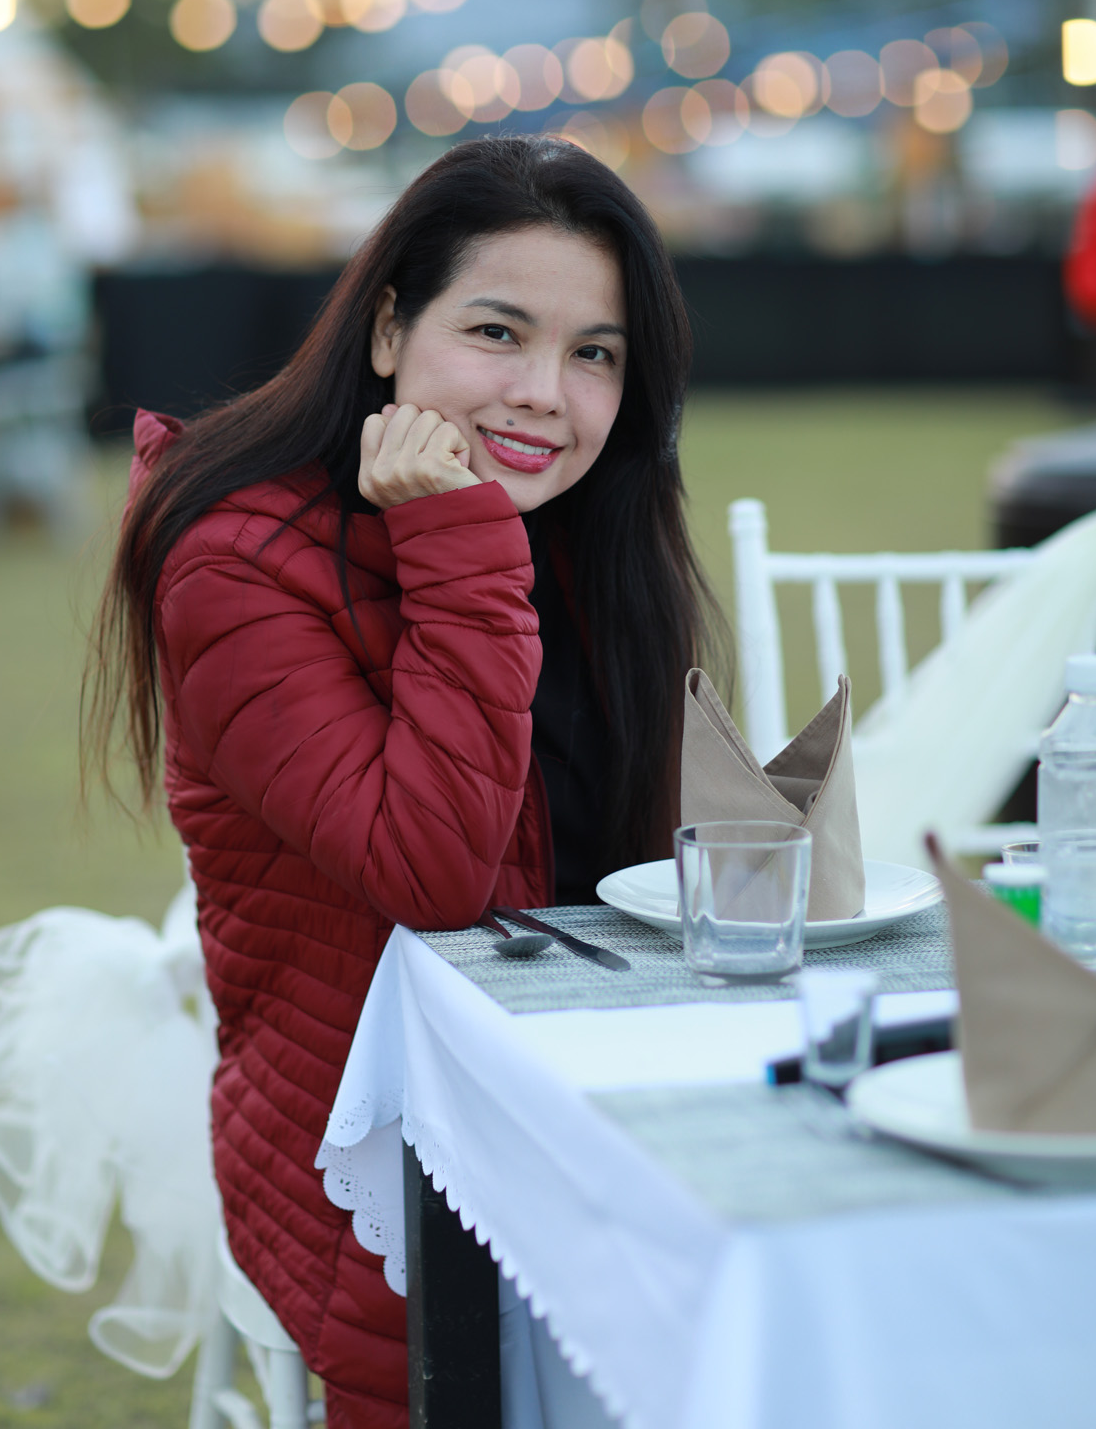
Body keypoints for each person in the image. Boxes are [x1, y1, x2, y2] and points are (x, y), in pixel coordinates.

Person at [85, 134, 727, 1429]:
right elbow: (430, 876)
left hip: (577, 1093)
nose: (545, 395)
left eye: (596, 354)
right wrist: (454, 541)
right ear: (388, 330)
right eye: (497, 332)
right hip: (375, 1156)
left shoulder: (589, 535)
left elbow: (645, 872)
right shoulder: (237, 559)